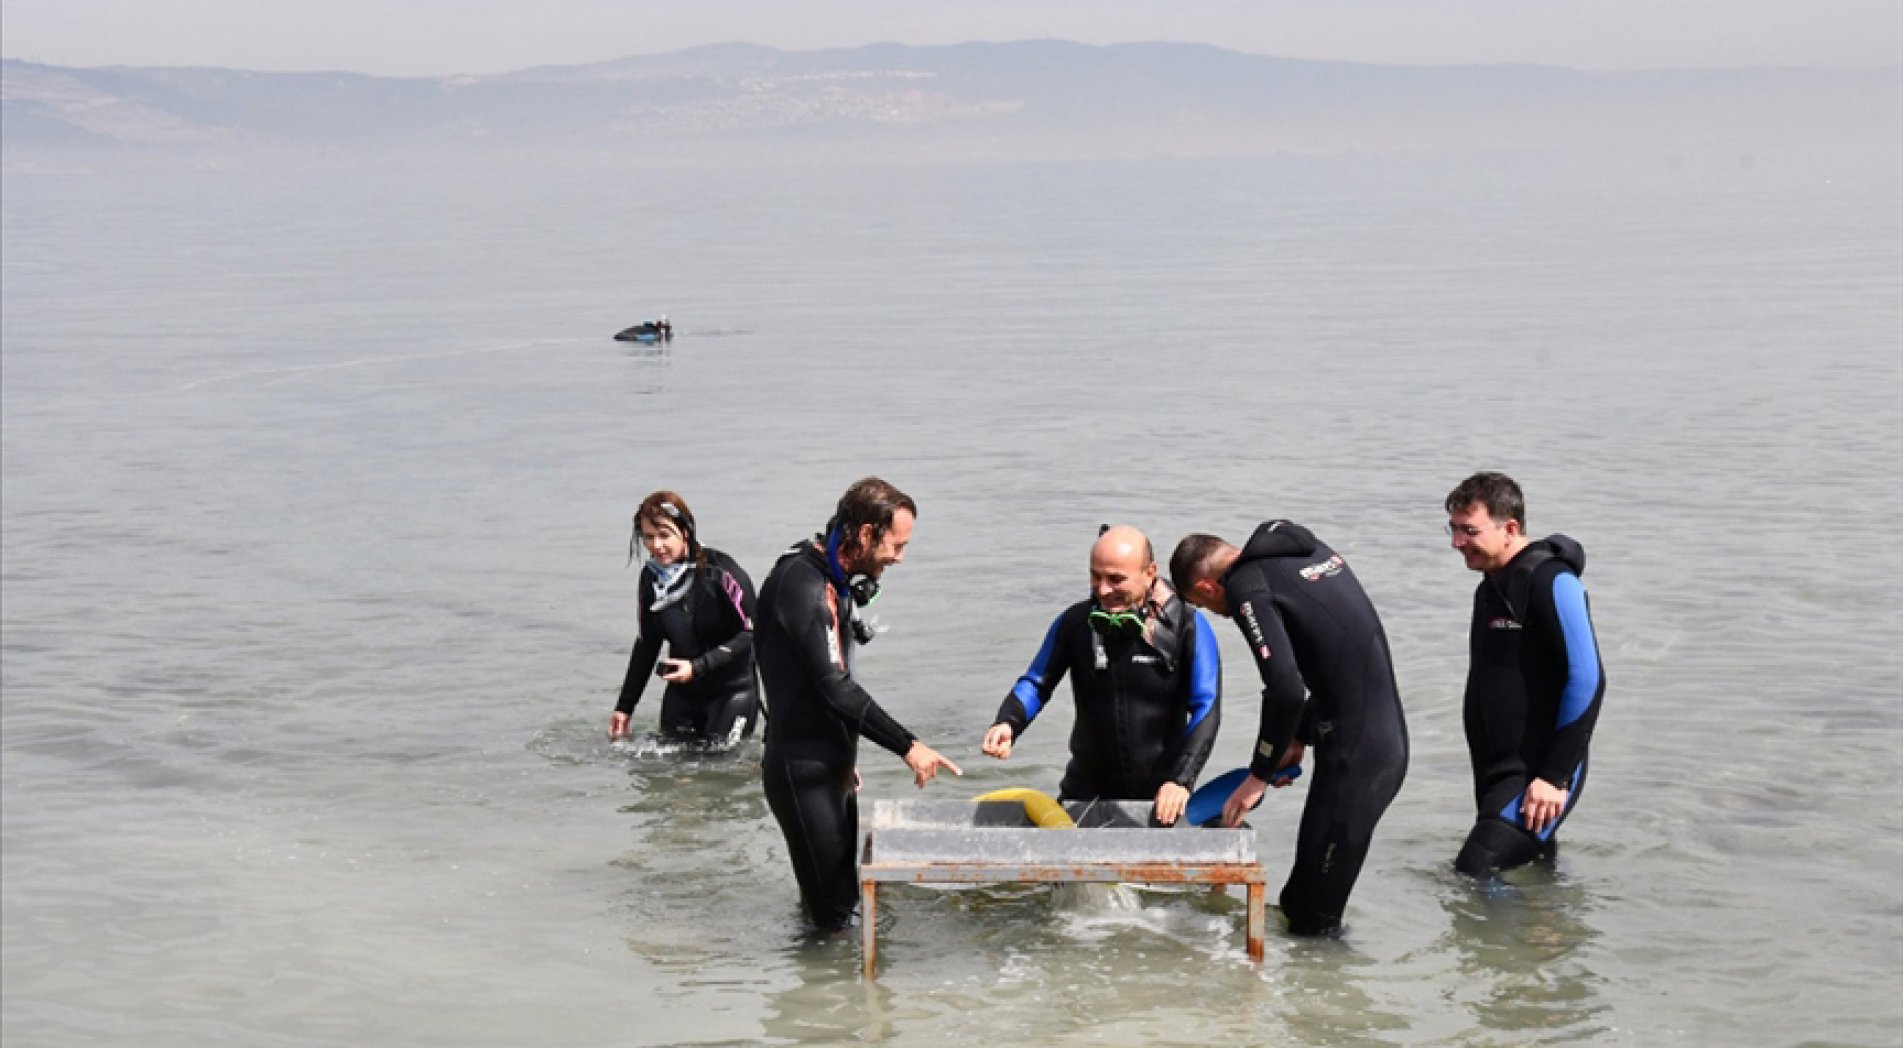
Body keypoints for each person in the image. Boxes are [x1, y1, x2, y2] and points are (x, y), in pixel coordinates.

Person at [1170, 522, 1409, 937]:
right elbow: (1334, 659)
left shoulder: (1247, 587)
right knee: (1305, 905)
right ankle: (1318, 995)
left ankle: (1323, 995)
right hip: (1376, 740)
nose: (1217, 614)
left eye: (1204, 606)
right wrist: (1298, 735)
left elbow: (1284, 690)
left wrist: (1257, 775)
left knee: (1311, 918)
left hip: (1359, 761)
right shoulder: (1300, 551)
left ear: (1207, 587)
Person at [756, 477, 962, 932]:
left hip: (829, 766)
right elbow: (833, 686)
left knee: (842, 906)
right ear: (866, 534)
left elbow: (810, 678)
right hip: (801, 771)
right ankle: (822, 998)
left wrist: (840, 747)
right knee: (835, 925)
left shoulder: (834, 580)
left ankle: (834, 997)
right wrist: (909, 745)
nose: (900, 557)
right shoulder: (801, 584)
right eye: (897, 545)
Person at [982, 526, 1220, 826]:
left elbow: (1206, 707)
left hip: (1162, 800)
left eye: (1117, 579)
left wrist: (1180, 780)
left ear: (1150, 573)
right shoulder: (1075, 623)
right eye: (1096, 577)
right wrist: (1008, 722)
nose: (1104, 590)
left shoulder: (1188, 627)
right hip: (1083, 796)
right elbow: (1036, 683)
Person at [1444, 471, 1606, 876]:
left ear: (1510, 528)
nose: (1456, 543)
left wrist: (1553, 777)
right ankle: (1545, 935)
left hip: (1538, 773)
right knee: (1532, 874)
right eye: (1452, 530)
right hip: (1497, 770)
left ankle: (1512, 939)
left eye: (1468, 531)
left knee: (1473, 874)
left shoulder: (1552, 580)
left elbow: (1588, 678)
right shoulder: (1491, 586)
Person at [610, 491, 761, 743]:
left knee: (719, 773)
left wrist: (697, 666)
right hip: (682, 698)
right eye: (648, 537)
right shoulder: (651, 580)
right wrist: (625, 707)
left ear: (686, 531)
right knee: (666, 773)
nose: (656, 546)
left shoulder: (721, 573)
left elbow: (752, 633)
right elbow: (648, 644)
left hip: (731, 695)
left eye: (664, 535)